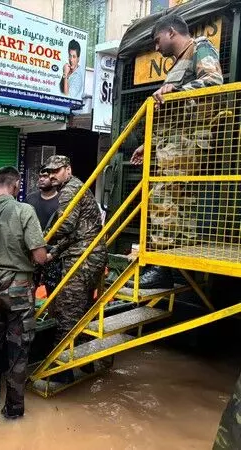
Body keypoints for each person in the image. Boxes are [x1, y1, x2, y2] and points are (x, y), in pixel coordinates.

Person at [129, 13, 223, 289]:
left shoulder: (200, 47)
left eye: (157, 40)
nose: (156, 48)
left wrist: (177, 89)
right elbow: (174, 114)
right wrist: (149, 144)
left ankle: (162, 268)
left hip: (189, 142)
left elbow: (213, 82)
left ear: (171, 32)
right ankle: (176, 264)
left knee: (164, 197)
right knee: (181, 203)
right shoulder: (179, 62)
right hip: (176, 142)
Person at [0, 166, 47, 419]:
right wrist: (46, 254)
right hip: (19, 291)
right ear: (16, 186)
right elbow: (39, 256)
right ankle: (13, 410)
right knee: (18, 350)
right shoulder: (24, 211)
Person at [44, 155, 107, 382]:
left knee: (67, 311)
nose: (52, 175)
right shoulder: (77, 186)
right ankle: (87, 362)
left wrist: (41, 239)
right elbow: (75, 231)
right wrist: (53, 252)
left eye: (56, 171)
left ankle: (61, 372)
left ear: (67, 169)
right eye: (49, 172)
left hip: (83, 258)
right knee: (83, 311)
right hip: (93, 255)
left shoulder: (69, 190)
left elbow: (66, 226)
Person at [26, 167, 62, 296]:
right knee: (29, 288)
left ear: (53, 179)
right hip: (33, 251)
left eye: (45, 176)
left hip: (53, 253)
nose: (41, 179)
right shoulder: (30, 199)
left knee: (53, 290)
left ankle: (51, 315)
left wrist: (54, 253)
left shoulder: (62, 201)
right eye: (40, 176)